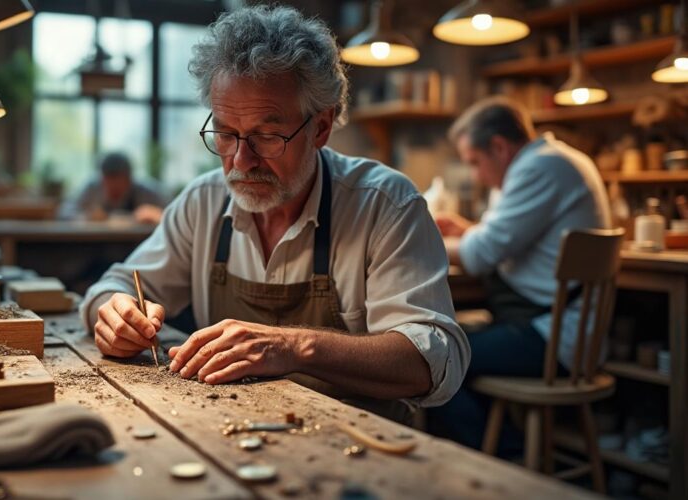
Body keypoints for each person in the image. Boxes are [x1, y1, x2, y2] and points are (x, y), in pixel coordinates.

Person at [80, 5, 469, 416]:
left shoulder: (384, 205)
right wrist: (116, 314)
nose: (241, 161)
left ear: (321, 127)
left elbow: (432, 361)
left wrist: (294, 347)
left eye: (266, 136)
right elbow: (116, 285)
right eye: (225, 134)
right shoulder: (204, 202)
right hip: (230, 428)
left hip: (361, 437)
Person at [431, 97, 612, 450]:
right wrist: (468, 230)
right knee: (446, 342)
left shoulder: (539, 168)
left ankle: (504, 457)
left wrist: (423, 239)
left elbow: (480, 256)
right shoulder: (552, 160)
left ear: (499, 147)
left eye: (475, 162)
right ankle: (504, 446)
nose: (476, 175)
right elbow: (505, 239)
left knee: (434, 359)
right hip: (548, 324)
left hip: (554, 337)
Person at [58, 152, 166, 224]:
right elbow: (64, 212)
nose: (114, 188)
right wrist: (86, 217)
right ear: (102, 179)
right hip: (96, 244)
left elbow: (170, 215)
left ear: (129, 179)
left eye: (119, 183)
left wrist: (158, 216)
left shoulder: (148, 192)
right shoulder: (92, 188)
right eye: (109, 182)